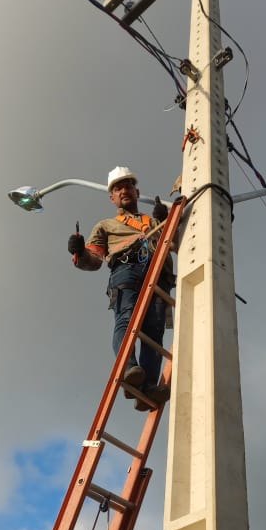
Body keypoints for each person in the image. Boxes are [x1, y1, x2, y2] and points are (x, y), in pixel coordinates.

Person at [67, 166, 174, 410]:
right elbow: (93, 261)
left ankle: (143, 388)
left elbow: (176, 241)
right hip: (127, 269)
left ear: (137, 191)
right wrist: (79, 251)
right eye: (118, 188)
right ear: (112, 197)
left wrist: (166, 221)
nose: (123, 190)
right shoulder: (106, 225)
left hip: (160, 275)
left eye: (127, 186)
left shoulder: (154, 221)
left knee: (154, 331)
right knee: (126, 320)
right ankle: (129, 369)